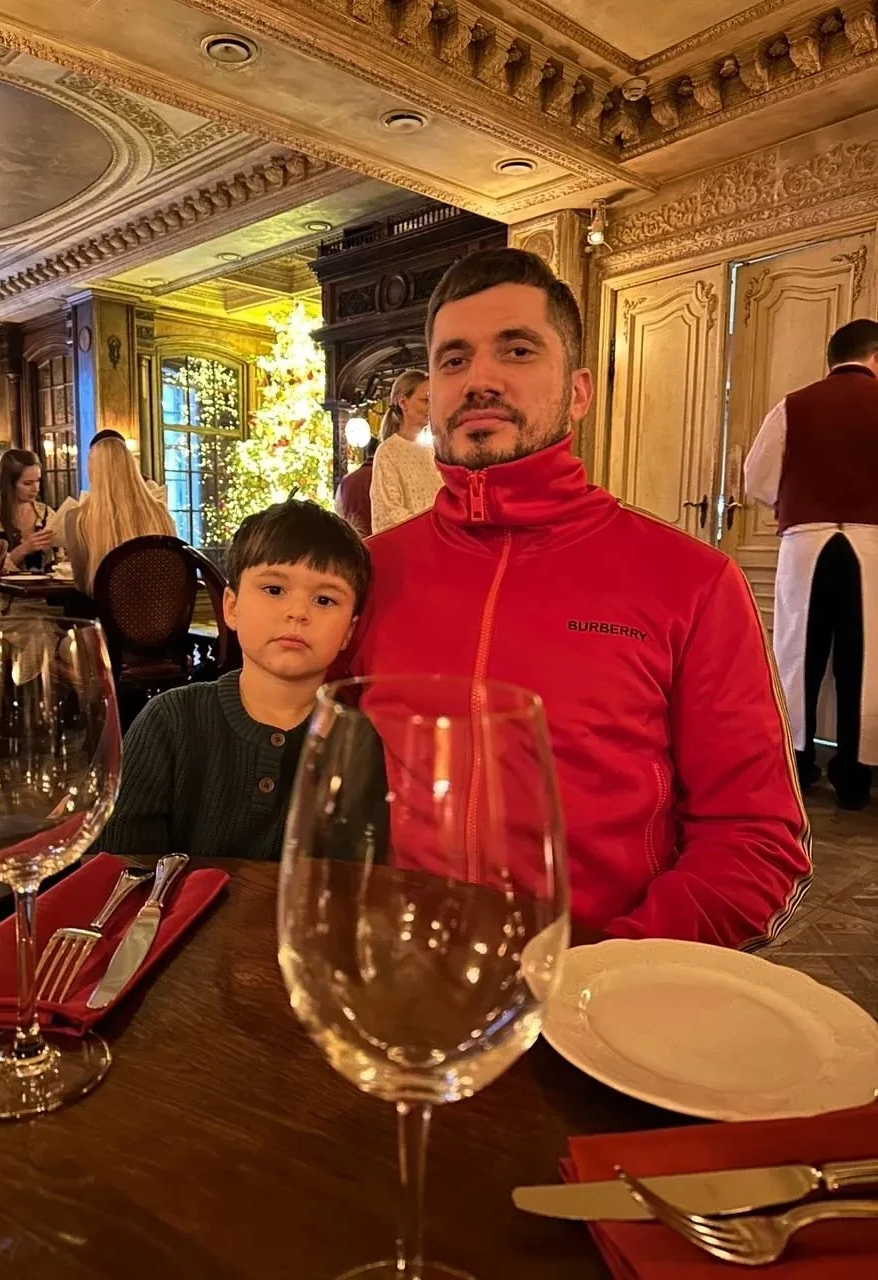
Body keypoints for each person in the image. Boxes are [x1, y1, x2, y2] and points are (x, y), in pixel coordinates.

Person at [343, 247, 811, 949]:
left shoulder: (691, 582)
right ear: (430, 396)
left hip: (602, 985)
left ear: (578, 391)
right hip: (405, 971)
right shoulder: (368, 575)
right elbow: (293, 758)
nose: (480, 379)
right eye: (453, 360)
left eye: (517, 350)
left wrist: (611, 975)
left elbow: (756, 839)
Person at [97, 500, 370, 858]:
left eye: (324, 599)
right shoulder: (169, 721)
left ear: (349, 631)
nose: (297, 612)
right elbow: (121, 868)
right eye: (274, 590)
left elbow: (352, 875)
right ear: (231, 606)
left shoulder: (357, 741)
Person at [745, 319, 878, 809]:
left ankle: (796, 765)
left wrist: (798, 503)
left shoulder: (793, 405)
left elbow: (756, 478)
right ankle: (854, 777)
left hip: (806, 541)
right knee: (863, 660)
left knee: (799, 653)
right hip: (872, 544)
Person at [64, 435, 177, 595]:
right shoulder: (160, 513)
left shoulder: (78, 519)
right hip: (161, 606)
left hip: (103, 608)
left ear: (92, 472)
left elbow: (82, 584)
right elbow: (172, 568)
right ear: (132, 468)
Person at [370, 369, 441, 532]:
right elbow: (388, 512)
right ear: (403, 403)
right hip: (413, 540)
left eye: (433, 400)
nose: (431, 408)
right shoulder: (388, 452)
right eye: (425, 400)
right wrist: (429, 529)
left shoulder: (436, 450)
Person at [0, 448, 54, 571]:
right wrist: (23, 549)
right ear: (9, 484)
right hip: (2, 584)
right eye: (27, 483)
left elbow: (60, 561)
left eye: (37, 481)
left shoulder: (45, 514)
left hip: (44, 583)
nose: (36, 488)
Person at [335, 436, 378, 536]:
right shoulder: (385, 478)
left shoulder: (345, 481)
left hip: (353, 541)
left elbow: (339, 515)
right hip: (382, 541)